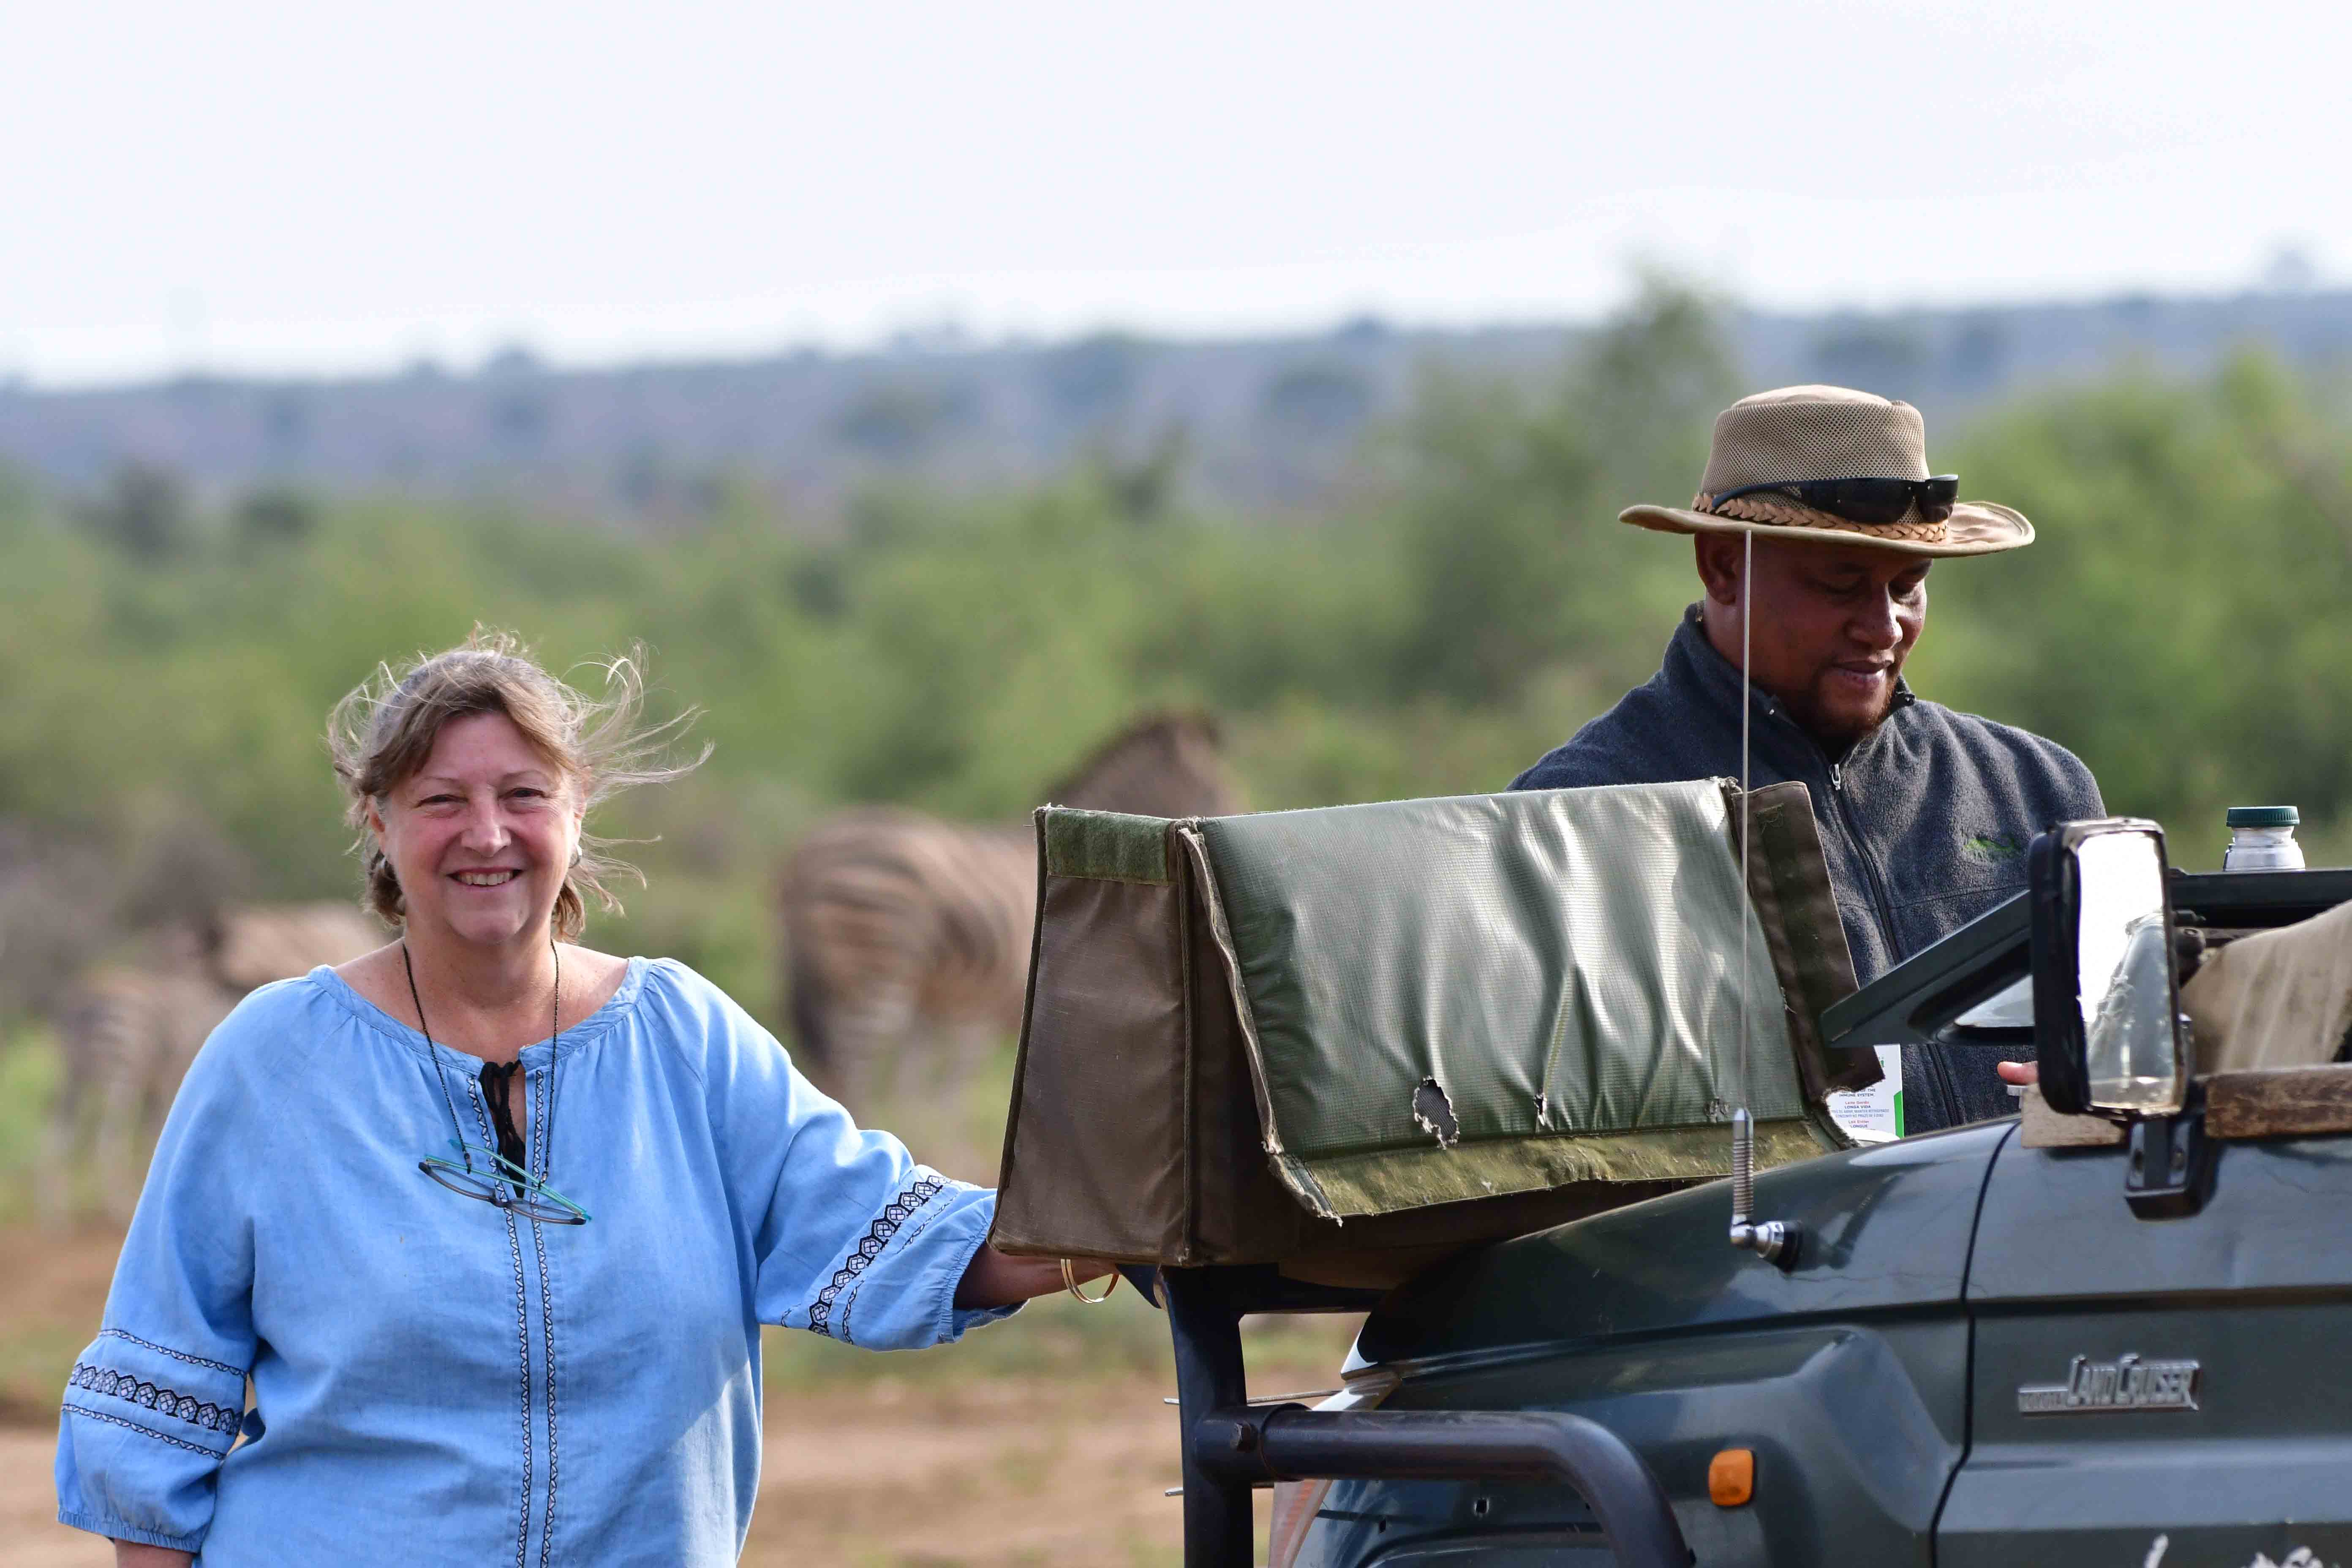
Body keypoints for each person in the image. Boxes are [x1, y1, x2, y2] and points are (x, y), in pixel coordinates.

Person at [55, 633, 1112, 1566]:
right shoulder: (275, 1057)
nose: (486, 833)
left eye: (522, 793)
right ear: (377, 820)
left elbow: (887, 1234)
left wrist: (1136, 1219)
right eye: (440, 800)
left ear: (576, 808)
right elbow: (162, 1385)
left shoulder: (682, 1038)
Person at [1511, 384, 2102, 1131]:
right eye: (1839, 585)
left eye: (1909, 586)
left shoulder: (2037, 786)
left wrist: (2100, 1077)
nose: (1884, 626)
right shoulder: (1578, 813)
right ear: (1722, 566)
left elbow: (2128, 1039)